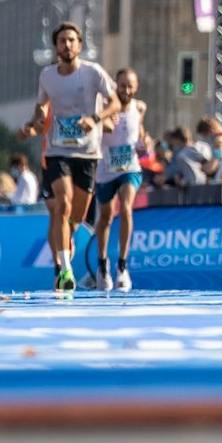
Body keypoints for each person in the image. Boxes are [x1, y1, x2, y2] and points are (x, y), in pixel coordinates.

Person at [18, 22, 117, 293]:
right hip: (57, 150)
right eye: (62, 41)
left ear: (80, 45)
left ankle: (67, 241)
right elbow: (41, 106)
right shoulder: (47, 75)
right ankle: (63, 268)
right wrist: (35, 122)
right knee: (61, 205)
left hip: (88, 152)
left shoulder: (93, 72)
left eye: (72, 40)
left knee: (75, 216)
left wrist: (95, 118)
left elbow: (116, 101)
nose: (67, 45)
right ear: (56, 46)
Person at [92, 67, 148, 291]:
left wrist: (145, 141)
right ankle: (102, 263)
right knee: (105, 217)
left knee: (126, 208)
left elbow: (139, 131)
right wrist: (103, 122)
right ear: (115, 86)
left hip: (130, 167)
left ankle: (122, 266)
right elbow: (96, 132)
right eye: (122, 85)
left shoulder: (140, 107)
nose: (126, 90)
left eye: (130, 86)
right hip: (106, 169)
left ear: (136, 88)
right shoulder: (105, 108)